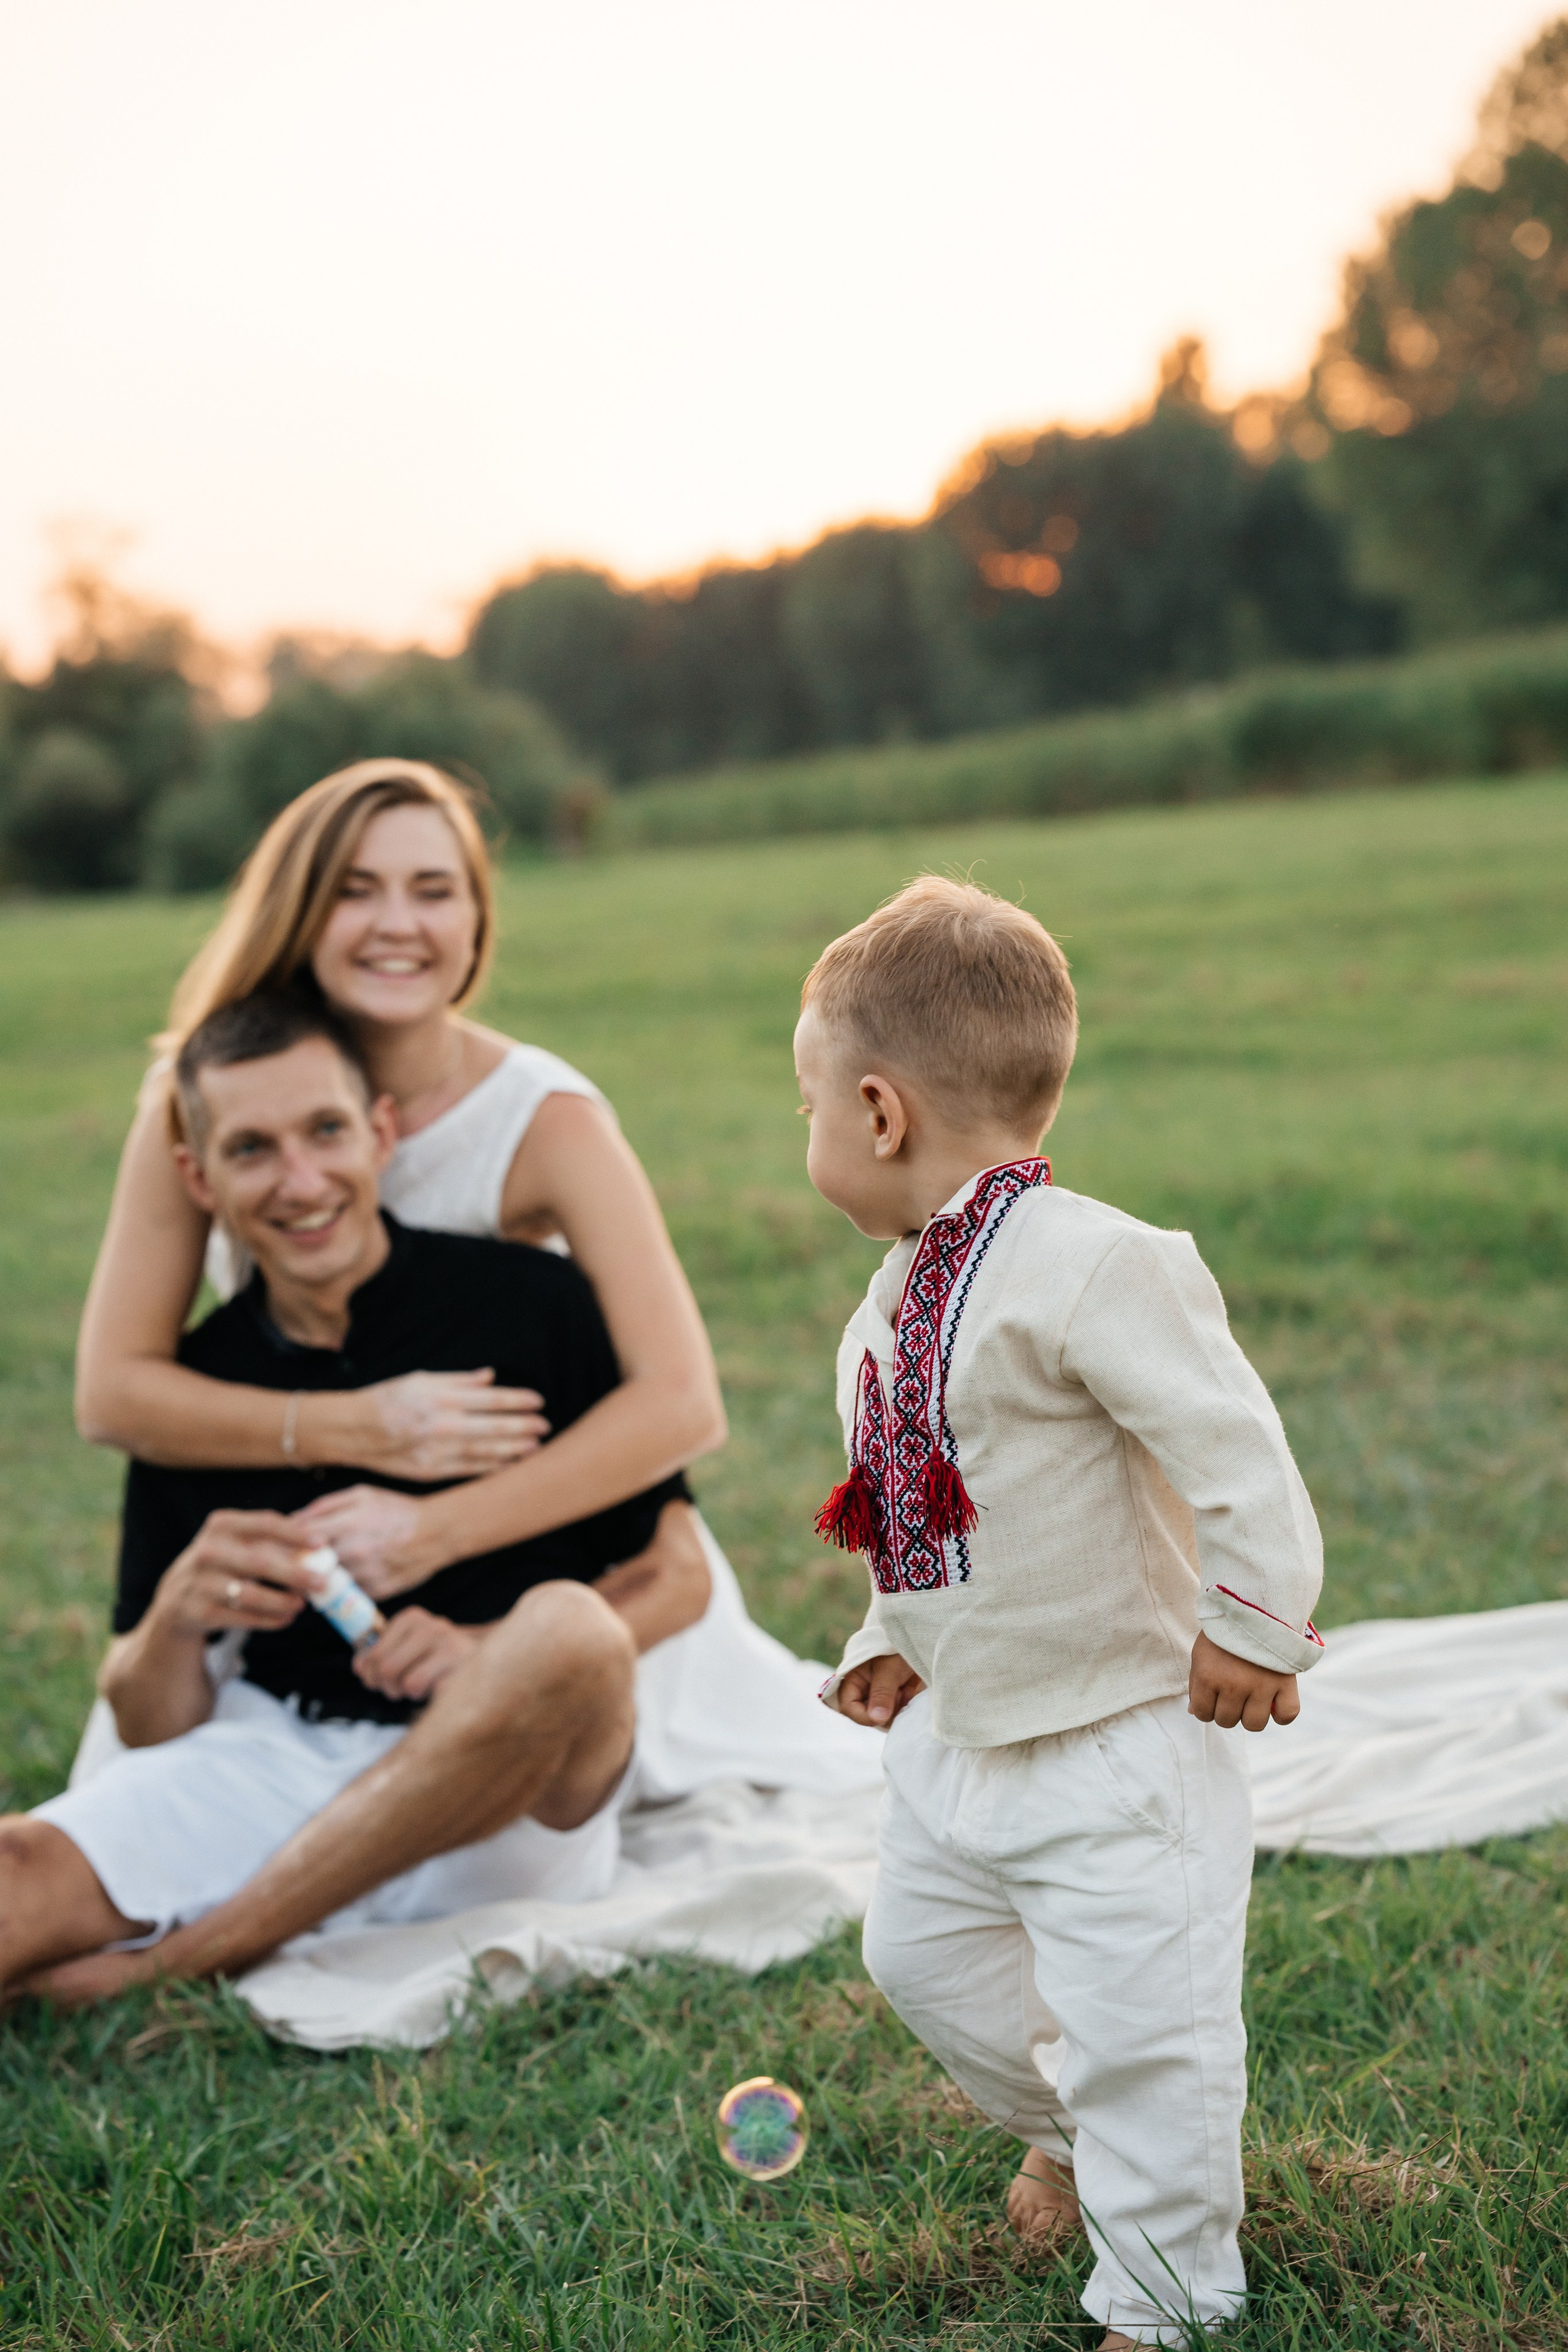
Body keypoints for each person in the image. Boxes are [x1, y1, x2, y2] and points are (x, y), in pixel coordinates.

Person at [71, 755, 873, 1806]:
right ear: (298, 911)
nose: (395, 921)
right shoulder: (200, 1100)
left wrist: (430, 1532)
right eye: (355, 889)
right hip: (314, 1594)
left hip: (540, 1570)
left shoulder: (546, 1119)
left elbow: (681, 1405)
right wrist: (360, 1428)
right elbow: (114, 1393)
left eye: (432, 890)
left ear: (476, 925)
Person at [796, 878, 1324, 2351]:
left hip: (1115, 1739)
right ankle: (1075, 2131)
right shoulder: (893, 1299)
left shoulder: (1095, 1262)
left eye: (811, 1108)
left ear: (880, 1110)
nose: (812, 1139)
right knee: (919, 1960)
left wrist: (1252, 1622)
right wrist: (886, 1642)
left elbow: (1236, 1450)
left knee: (1140, 2033)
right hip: (964, 1744)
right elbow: (928, 1512)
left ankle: (1162, 2300)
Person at [2, 990, 712, 2004]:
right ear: (200, 1178)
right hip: (278, 1755)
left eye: (326, 1130)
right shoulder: (201, 1383)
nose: (301, 1181)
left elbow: (678, 1574)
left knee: (569, 1633)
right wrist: (171, 1621)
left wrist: (485, 1653)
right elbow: (155, 1728)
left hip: (503, 1802)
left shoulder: (531, 1303)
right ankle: (251, 1923)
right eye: (252, 1150)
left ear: (380, 1133)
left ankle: (181, 1964)